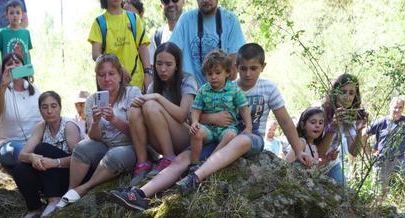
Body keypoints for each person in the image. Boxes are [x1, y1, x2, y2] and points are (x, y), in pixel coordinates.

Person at [109, 42, 310, 209]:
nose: (248, 74)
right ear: (235, 69)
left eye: (254, 68)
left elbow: (284, 120)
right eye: (243, 69)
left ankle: (196, 177)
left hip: (250, 137)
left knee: (239, 139)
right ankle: (139, 194)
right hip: (215, 136)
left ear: (262, 67)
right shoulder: (221, 84)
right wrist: (210, 119)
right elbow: (194, 115)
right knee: (181, 159)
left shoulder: (268, 88)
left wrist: (297, 150)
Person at [52, 55, 141, 214]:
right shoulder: (92, 100)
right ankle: (70, 191)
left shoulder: (132, 93)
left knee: (114, 155)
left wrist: (114, 119)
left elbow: (138, 133)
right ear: (97, 78)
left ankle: (84, 188)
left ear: (120, 75)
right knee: (81, 148)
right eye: (102, 75)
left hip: (129, 146)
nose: (107, 78)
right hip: (104, 144)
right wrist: (96, 122)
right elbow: (95, 137)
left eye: (111, 73)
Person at [126, 42, 197, 185]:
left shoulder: (187, 81)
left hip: (185, 137)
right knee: (134, 109)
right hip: (160, 138)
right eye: (158, 64)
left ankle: (168, 158)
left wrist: (158, 97)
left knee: (151, 105)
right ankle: (143, 163)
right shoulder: (154, 86)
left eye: (168, 64)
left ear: (177, 65)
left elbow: (182, 115)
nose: (163, 69)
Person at [11, 91, 82, 218]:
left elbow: (80, 159)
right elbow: (22, 155)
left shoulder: (69, 126)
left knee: (42, 148)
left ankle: (54, 199)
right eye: (45, 107)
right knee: (20, 168)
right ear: (40, 110)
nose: (49, 111)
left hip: (71, 176)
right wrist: (32, 157)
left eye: (53, 106)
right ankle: (34, 208)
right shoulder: (41, 127)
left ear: (60, 108)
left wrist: (55, 163)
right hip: (50, 176)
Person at [188, 48, 250, 168]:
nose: (213, 77)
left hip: (227, 128)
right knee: (196, 132)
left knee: (231, 136)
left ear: (227, 72)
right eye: (209, 74)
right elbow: (196, 109)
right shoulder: (203, 90)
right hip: (208, 129)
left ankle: (211, 162)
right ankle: (194, 165)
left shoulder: (234, 90)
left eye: (217, 73)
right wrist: (195, 122)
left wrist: (248, 126)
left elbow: (244, 107)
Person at [168, 0, 244, 88]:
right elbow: (172, 53)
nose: (205, 0)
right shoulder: (186, 19)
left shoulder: (230, 20)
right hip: (191, 89)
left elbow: (233, 70)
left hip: (221, 90)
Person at [0, 51, 41, 168]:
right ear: (4, 70)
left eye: (17, 62)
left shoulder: (34, 89)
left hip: (32, 142)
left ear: (23, 66)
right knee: (19, 150)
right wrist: (3, 86)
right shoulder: (0, 90)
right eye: (9, 64)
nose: (13, 65)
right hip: (7, 145)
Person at [88, 0, 152, 91]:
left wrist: (148, 73)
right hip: (111, 84)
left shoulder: (134, 18)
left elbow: (143, 47)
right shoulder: (99, 22)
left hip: (137, 82)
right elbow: (96, 55)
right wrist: (120, 68)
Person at [318, 73, 369, 186]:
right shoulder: (319, 113)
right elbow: (318, 154)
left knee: (346, 196)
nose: (347, 97)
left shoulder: (349, 117)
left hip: (331, 164)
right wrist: (333, 127)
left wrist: (359, 129)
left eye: (351, 93)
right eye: (343, 92)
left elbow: (353, 152)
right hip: (313, 163)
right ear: (335, 93)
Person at [367, 96, 405, 193]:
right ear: (390, 107)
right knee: (379, 192)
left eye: (400, 107)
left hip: (399, 159)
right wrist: (370, 153)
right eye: (395, 107)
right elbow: (363, 135)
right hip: (382, 160)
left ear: (403, 108)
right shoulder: (381, 122)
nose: (397, 110)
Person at [0, 1, 33, 71]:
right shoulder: (2, 32)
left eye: (18, 13)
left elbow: (28, 53)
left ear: (22, 15)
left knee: (25, 82)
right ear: (6, 14)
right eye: (11, 13)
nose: (15, 15)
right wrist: (0, 70)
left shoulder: (26, 33)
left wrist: (30, 70)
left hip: (24, 70)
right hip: (9, 70)